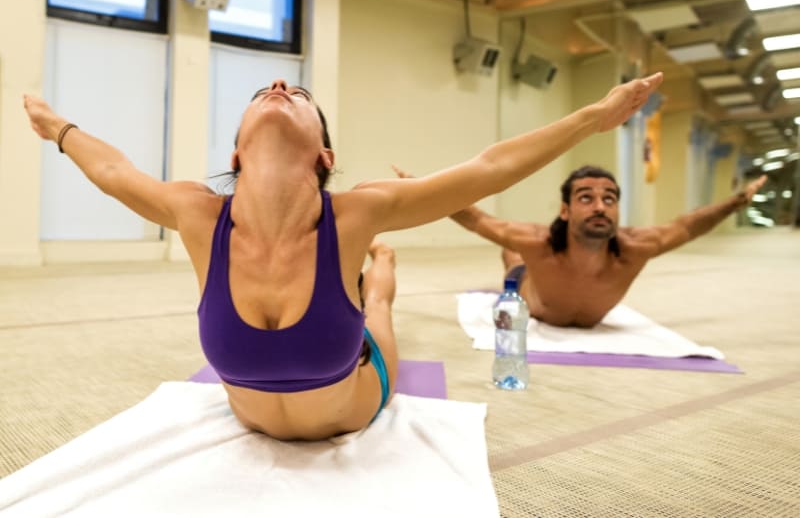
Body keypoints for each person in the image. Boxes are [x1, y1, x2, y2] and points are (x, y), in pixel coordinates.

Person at [23, 72, 662, 440]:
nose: (277, 85)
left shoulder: (357, 212)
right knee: (361, 301)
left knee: (377, 310)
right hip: (262, 412)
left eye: (298, 92)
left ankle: (377, 283)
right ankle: (368, 287)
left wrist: (593, 118)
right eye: (266, 91)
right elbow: (111, 170)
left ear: (324, 156)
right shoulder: (198, 214)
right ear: (236, 154)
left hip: (359, 396)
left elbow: (488, 168)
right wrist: (59, 130)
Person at [394, 164, 766, 329]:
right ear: (566, 209)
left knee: (516, 248)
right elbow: (478, 220)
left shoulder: (637, 247)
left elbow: (687, 225)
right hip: (531, 290)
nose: (600, 206)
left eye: (609, 198)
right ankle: (513, 265)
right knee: (513, 258)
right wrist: (424, 189)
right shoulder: (538, 241)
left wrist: (735, 202)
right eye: (586, 198)